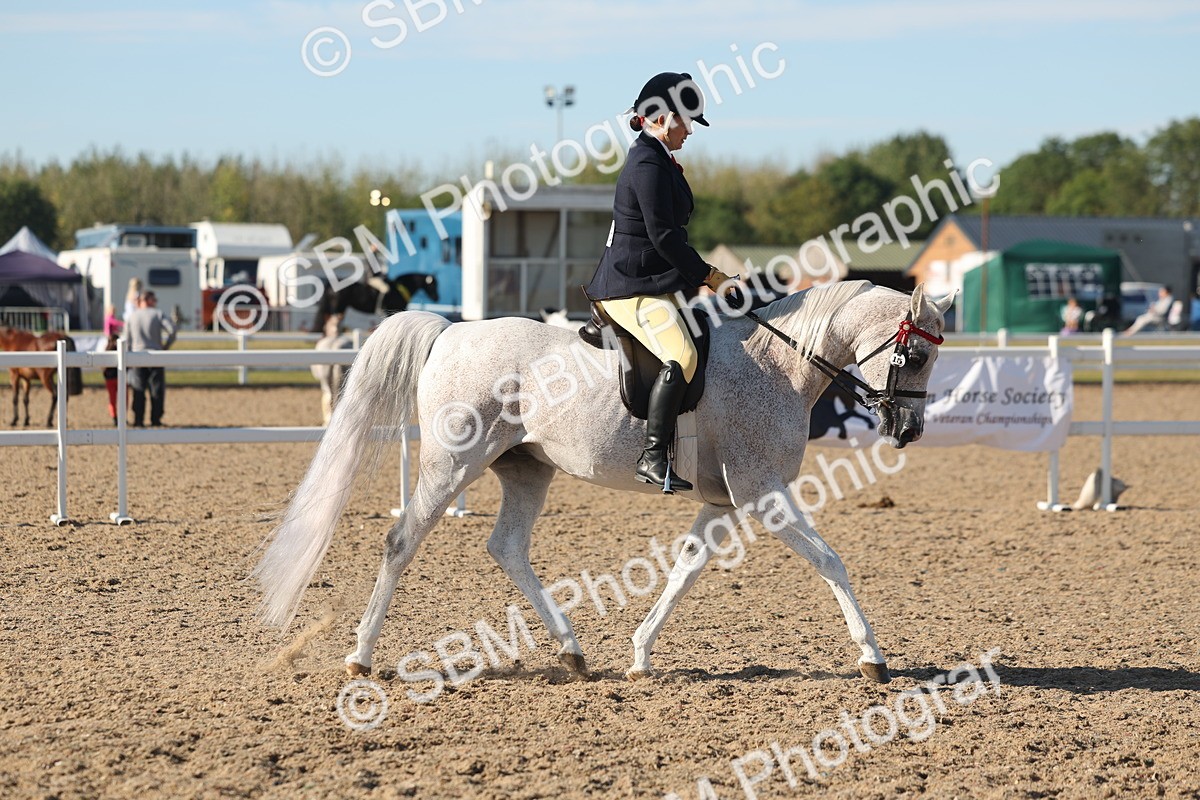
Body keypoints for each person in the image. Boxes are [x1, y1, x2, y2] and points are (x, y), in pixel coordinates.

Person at [585, 71, 739, 492]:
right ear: (659, 117)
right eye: (685, 121)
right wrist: (710, 276)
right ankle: (652, 457)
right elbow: (665, 237)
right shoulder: (646, 163)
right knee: (683, 357)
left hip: (652, 280)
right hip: (632, 285)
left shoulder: (659, 160)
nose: (689, 130)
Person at [125, 291, 176, 427]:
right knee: (157, 390)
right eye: (154, 299)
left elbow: (127, 340)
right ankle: (155, 419)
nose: (156, 302)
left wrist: (128, 355)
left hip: (136, 356)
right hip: (156, 356)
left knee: (138, 389)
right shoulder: (158, 314)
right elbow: (172, 330)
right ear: (148, 300)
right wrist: (165, 346)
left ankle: (139, 419)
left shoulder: (132, 316)